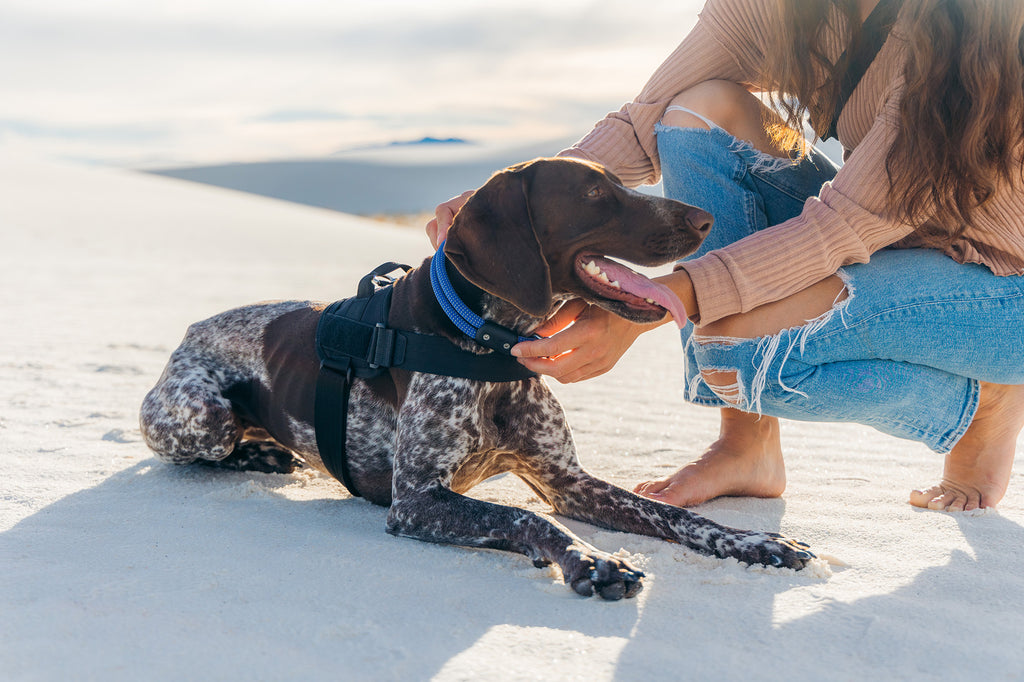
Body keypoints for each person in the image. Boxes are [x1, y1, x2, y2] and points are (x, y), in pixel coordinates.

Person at [426, 0, 1024, 513]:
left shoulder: (978, 24)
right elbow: (645, 122)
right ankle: (748, 447)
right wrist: (507, 207)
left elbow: (838, 229)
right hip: (899, 241)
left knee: (732, 355)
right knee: (699, 110)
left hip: (1005, 289)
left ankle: (985, 400)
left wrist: (650, 305)